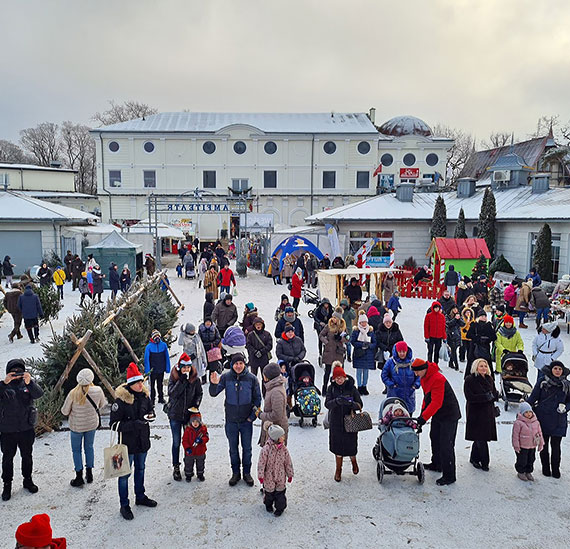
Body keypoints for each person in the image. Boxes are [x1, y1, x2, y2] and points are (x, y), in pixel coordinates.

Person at [110, 362, 157, 520]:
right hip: (127, 445)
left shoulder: (145, 396)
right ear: (131, 384)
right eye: (138, 382)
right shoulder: (120, 401)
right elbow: (114, 424)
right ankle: (124, 504)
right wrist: (133, 425)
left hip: (143, 441)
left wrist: (151, 414)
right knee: (124, 475)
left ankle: (140, 496)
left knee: (141, 469)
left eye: (141, 382)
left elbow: (150, 408)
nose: (141, 384)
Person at [209, 353, 261, 487]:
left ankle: (247, 473)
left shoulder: (252, 379)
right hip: (231, 420)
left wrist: (252, 417)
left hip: (246, 421)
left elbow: (257, 400)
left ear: (244, 364)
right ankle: (235, 473)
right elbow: (214, 393)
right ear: (232, 364)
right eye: (236, 363)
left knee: (247, 448)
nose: (238, 366)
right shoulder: (226, 377)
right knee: (233, 448)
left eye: (241, 363)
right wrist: (213, 384)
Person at [0, 358, 44, 502]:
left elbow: (39, 394)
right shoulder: (4, 386)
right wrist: (3, 384)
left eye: (19, 371)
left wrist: (29, 382)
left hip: (26, 428)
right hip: (8, 430)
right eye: (13, 372)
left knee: (27, 456)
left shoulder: (27, 385)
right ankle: (7, 485)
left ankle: (28, 480)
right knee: (7, 459)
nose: (16, 374)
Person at [413, 359, 461, 486]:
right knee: (434, 437)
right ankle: (437, 464)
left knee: (446, 444)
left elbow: (436, 402)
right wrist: (422, 414)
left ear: (424, 369)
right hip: (438, 414)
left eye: (417, 371)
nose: (416, 374)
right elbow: (427, 398)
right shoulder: (425, 378)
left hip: (449, 414)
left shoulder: (437, 378)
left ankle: (449, 475)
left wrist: (423, 418)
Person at [60, 368, 107, 487]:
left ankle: (79, 476)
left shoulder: (73, 393)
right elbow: (103, 405)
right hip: (91, 424)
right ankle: (90, 473)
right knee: (89, 447)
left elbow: (65, 411)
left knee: (76, 450)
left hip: (76, 426)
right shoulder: (98, 390)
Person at [527, 361, 570, 479]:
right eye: (555, 368)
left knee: (556, 445)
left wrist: (566, 407)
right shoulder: (542, 382)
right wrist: (525, 408)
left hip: (559, 419)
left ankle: (556, 469)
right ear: (551, 369)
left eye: (560, 369)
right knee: (543, 444)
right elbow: (534, 396)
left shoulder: (567, 385)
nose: (557, 371)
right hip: (543, 417)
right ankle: (545, 468)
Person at [168, 355, 203, 481]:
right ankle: (176, 466)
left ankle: (189, 465)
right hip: (175, 415)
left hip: (189, 415)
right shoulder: (174, 377)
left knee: (189, 441)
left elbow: (199, 393)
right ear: (180, 368)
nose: (186, 370)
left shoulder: (195, 379)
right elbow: (172, 394)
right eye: (184, 368)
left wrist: (196, 404)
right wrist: (182, 381)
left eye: (188, 367)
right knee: (176, 441)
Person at [325, 365, 362, 482]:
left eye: (341, 378)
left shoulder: (351, 388)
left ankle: (354, 462)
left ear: (344, 377)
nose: (339, 380)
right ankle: (338, 469)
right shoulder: (331, 388)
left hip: (350, 421)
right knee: (338, 448)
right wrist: (336, 401)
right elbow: (327, 404)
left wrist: (350, 404)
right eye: (337, 378)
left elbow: (360, 404)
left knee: (351, 446)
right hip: (336, 422)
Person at [464, 359, 498, 472]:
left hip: (488, 412)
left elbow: (494, 393)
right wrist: (485, 397)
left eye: (485, 366)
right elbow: (469, 397)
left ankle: (474, 458)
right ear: (476, 367)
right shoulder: (470, 379)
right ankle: (485, 462)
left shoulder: (489, 378)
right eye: (481, 366)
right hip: (475, 412)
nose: (484, 368)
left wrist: (494, 396)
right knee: (481, 437)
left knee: (480, 437)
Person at [257, 423, 294, 517]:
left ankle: (280, 508)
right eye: (282, 436)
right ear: (276, 438)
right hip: (269, 476)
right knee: (269, 493)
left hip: (281, 476)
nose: (284, 437)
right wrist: (261, 476)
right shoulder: (266, 449)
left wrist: (290, 474)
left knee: (280, 494)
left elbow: (288, 462)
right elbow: (261, 463)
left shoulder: (284, 449)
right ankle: (268, 504)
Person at [381, 341, 419, 413]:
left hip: (409, 394)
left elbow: (418, 376)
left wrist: (415, 385)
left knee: (408, 417)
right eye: (400, 351)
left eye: (404, 351)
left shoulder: (412, 362)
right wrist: (391, 384)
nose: (402, 354)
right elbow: (384, 376)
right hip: (394, 394)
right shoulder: (390, 362)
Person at [512, 401, 544, 481]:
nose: (529, 414)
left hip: (532, 445)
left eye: (530, 412)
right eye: (526, 412)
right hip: (522, 446)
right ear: (522, 413)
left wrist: (541, 444)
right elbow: (515, 435)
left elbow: (540, 433)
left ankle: (528, 471)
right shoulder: (518, 423)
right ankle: (521, 471)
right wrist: (516, 446)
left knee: (531, 459)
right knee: (522, 460)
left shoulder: (536, 422)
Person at [319, 310, 349, 394]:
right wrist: (326, 342)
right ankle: (324, 388)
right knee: (327, 371)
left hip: (338, 352)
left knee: (339, 372)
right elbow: (321, 335)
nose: (333, 319)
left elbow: (348, 338)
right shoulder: (328, 326)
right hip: (329, 351)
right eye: (333, 317)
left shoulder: (343, 327)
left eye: (335, 318)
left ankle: (339, 388)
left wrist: (341, 339)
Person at [258, 363, 288, 445]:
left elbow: (276, 415)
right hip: (272, 429)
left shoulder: (276, 392)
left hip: (276, 432)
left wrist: (261, 415)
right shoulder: (272, 387)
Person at [350, 313, 377, 395]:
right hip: (359, 354)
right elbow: (353, 341)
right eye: (362, 322)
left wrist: (369, 345)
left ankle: (364, 386)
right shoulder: (356, 331)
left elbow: (375, 342)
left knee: (366, 371)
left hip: (368, 354)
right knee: (359, 371)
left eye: (365, 322)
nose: (364, 324)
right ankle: (359, 386)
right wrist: (361, 345)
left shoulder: (370, 331)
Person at [465, 310, 496, 378]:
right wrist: (477, 338)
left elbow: (494, 337)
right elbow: (468, 335)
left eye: (485, 316)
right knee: (473, 366)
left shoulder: (489, 325)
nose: (484, 317)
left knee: (486, 365)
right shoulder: (474, 325)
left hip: (485, 348)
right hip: (474, 348)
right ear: (478, 317)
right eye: (482, 316)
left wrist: (487, 339)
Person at [143, 329, 171, 405]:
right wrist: (147, 371)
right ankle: (152, 400)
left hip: (161, 369)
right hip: (153, 370)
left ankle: (161, 398)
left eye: (158, 336)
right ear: (152, 337)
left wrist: (167, 368)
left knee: (160, 384)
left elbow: (167, 357)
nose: (157, 337)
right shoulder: (149, 347)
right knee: (152, 386)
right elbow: (146, 359)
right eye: (155, 336)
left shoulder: (163, 345)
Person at [182, 408, 209, 482]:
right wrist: (187, 448)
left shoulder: (203, 429)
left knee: (200, 463)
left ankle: (200, 474)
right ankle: (188, 474)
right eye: (193, 421)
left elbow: (206, 437)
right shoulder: (188, 430)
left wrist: (202, 440)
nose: (195, 423)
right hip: (190, 451)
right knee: (188, 463)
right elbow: (184, 440)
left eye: (197, 421)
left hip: (200, 451)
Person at [446, 306, 464, 371]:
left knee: (454, 349)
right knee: (453, 350)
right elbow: (448, 324)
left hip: (458, 335)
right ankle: (456, 365)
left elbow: (463, 324)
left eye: (456, 309)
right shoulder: (448, 316)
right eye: (454, 309)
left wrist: (458, 319)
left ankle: (450, 363)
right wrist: (455, 319)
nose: (455, 310)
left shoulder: (459, 316)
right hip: (451, 336)